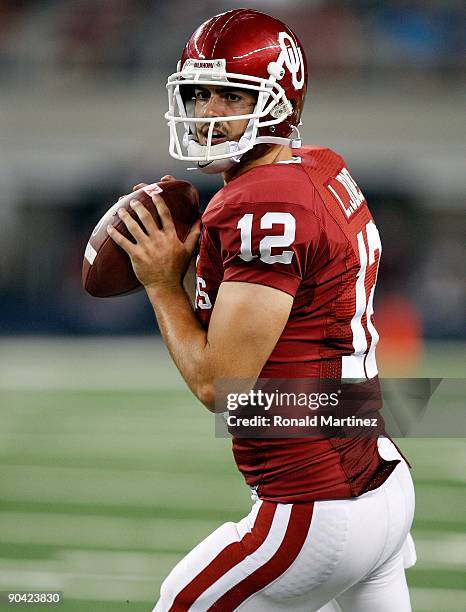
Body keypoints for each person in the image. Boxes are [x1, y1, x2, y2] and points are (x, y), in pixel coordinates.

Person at [107, 8, 416, 612]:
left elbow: (221, 385)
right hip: (380, 476)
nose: (207, 112)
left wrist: (162, 283)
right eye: (199, 94)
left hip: (315, 509)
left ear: (278, 103)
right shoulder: (319, 168)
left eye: (230, 94)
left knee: (178, 602)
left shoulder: (262, 204)